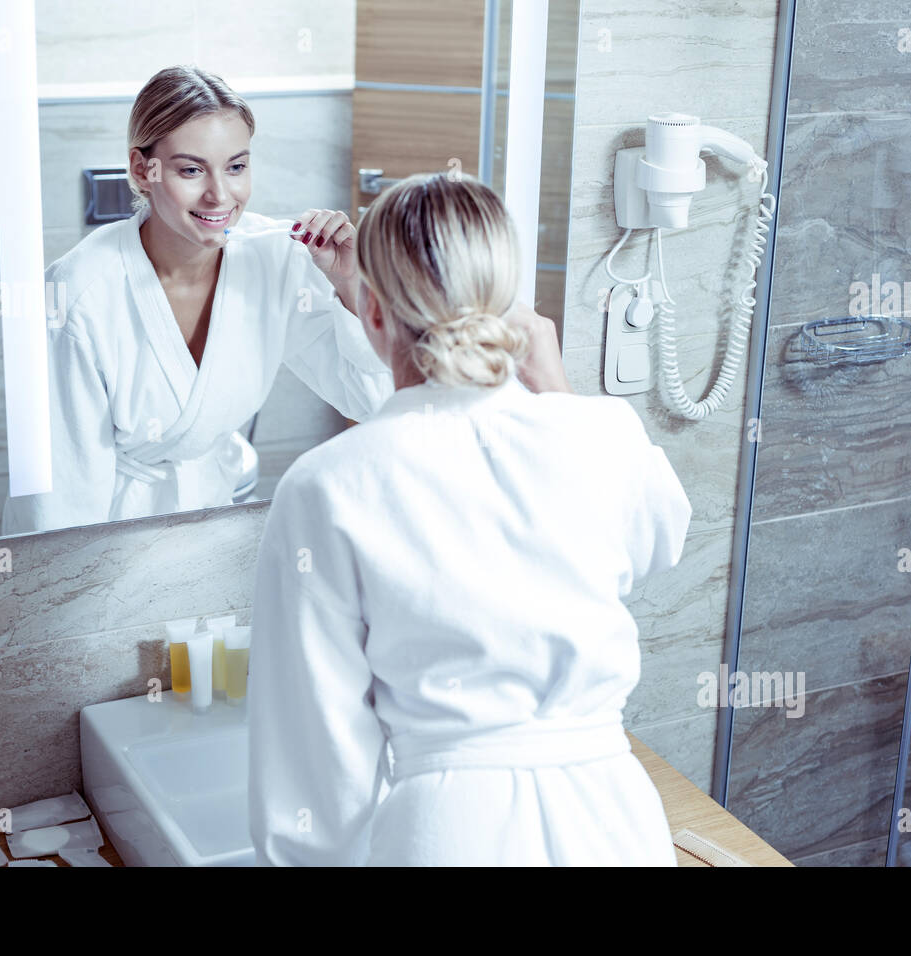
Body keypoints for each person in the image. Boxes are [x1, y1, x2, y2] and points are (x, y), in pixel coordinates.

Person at [247, 171, 693, 866]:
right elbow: (660, 538)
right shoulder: (600, 434)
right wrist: (556, 387)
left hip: (448, 834)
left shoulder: (328, 485)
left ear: (369, 310)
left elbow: (316, 760)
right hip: (617, 824)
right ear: (508, 301)